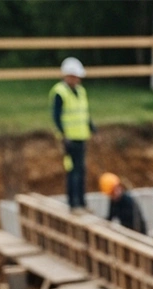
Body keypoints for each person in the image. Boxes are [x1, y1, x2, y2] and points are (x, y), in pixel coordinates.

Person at [50, 57, 95, 211]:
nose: (76, 80)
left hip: (81, 136)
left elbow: (83, 113)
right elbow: (56, 116)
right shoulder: (60, 92)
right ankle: (73, 203)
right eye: (74, 76)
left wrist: (91, 127)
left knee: (81, 170)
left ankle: (82, 202)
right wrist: (63, 135)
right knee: (73, 171)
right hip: (69, 139)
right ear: (67, 76)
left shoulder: (81, 91)